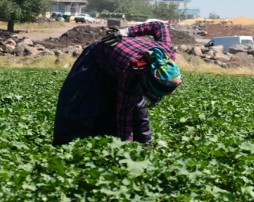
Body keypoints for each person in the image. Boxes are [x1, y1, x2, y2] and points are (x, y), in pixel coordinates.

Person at [53, 20, 182, 146]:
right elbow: (123, 113)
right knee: (79, 105)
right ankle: (67, 146)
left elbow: (158, 25)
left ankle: (145, 147)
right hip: (95, 60)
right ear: (146, 80)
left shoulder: (167, 54)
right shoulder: (131, 70)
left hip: (121, 62)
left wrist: (126, 32)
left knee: (137, 108)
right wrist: (125, 149)